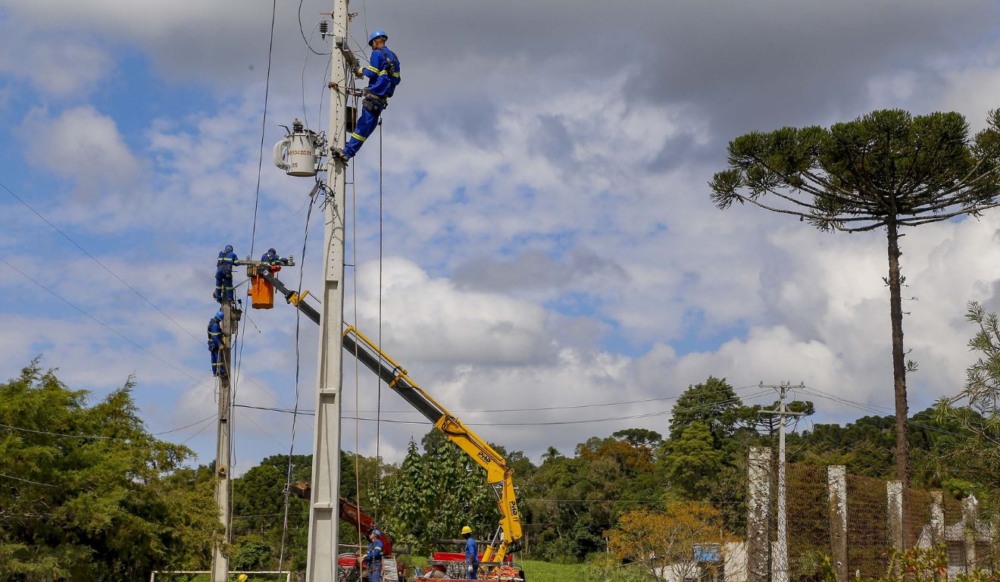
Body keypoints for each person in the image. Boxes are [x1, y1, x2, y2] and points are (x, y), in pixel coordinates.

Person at [331, 29, 401, 164]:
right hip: (381, 100)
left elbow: (372, 72)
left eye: (372, 44)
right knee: (365, 131)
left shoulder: (377, 53)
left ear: (375, 41)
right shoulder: (395, 57)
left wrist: (360, 70)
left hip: (373, 97)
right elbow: (397, 80)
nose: (371, 47)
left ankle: (347, 152)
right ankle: (348, 152)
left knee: (362, 129)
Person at [207, 310, 227, 378]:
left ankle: (215, 372)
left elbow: (216, 333)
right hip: (214, 344)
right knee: (218, 358)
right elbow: (215, 337)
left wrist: (222, 333)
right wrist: (220, 344)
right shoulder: (215, 325)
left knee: (214, 359)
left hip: (211, 343)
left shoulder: (212, 322)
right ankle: (221, 372)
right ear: (220, 319)